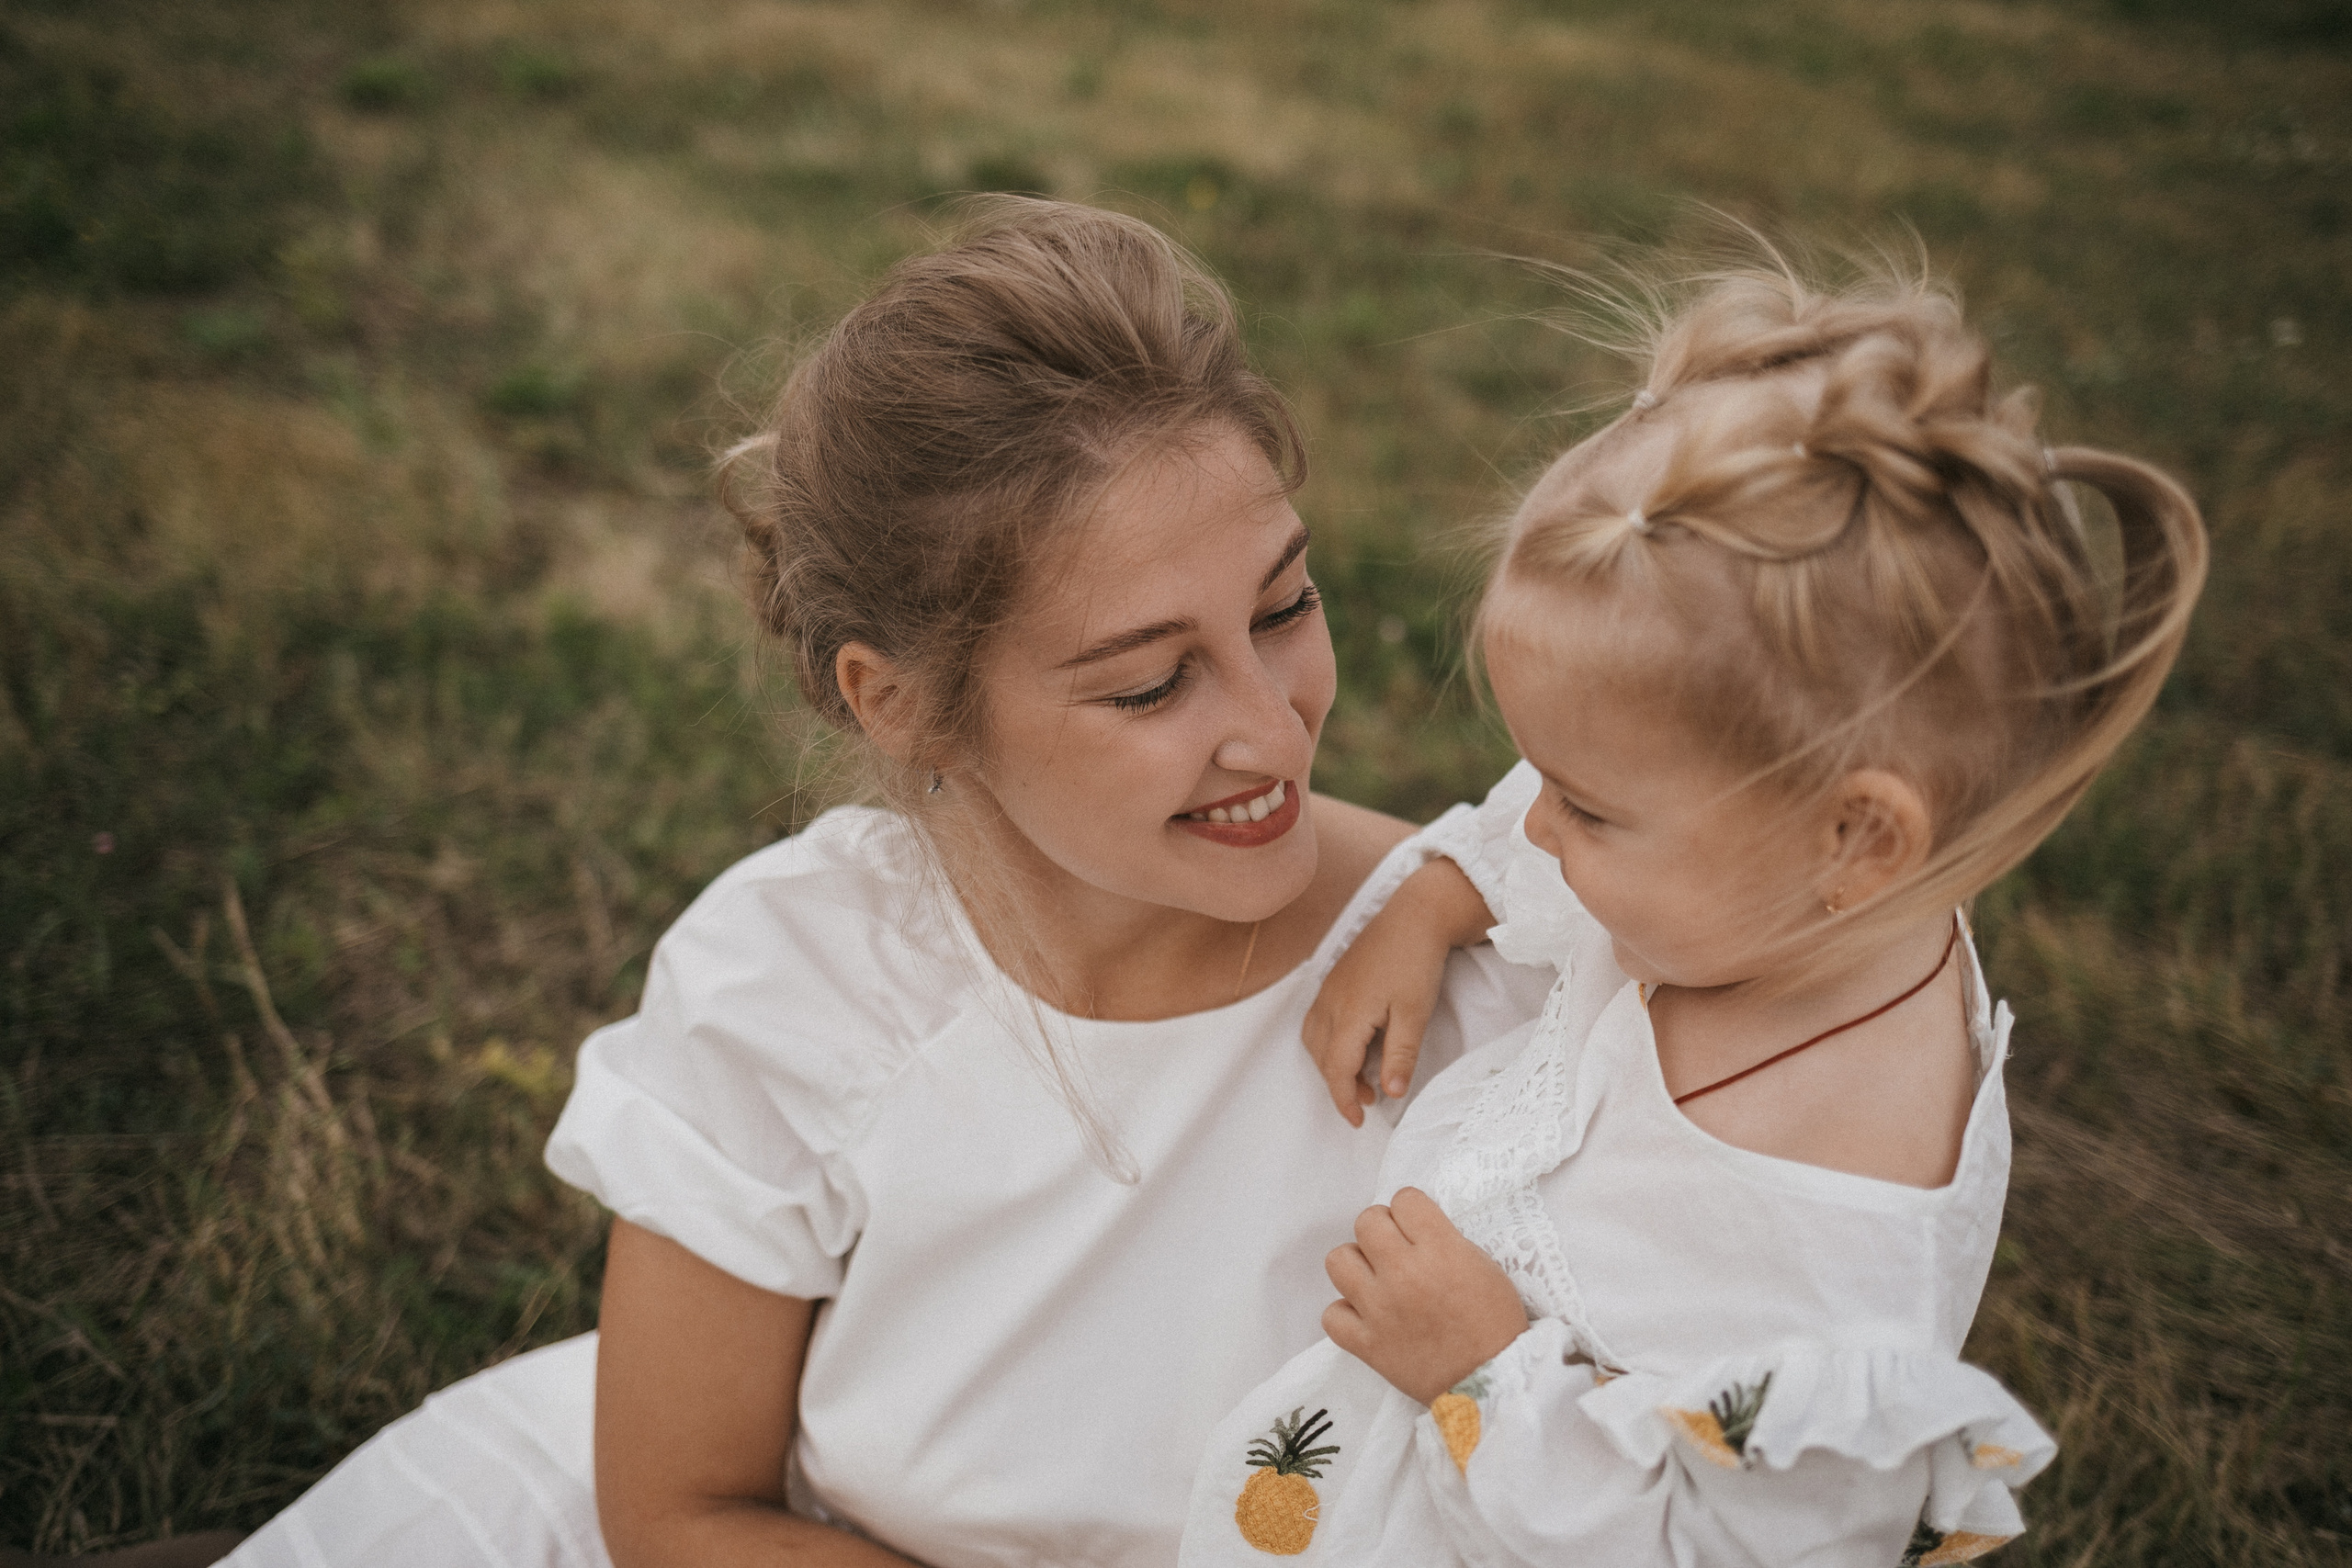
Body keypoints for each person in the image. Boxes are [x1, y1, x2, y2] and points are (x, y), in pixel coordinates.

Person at [211, 199, 1553, 1568]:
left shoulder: (1473, 958)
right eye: (1150, 683)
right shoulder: (797, 992)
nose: (1274, 730)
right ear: (903, 705)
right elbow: (682, 1513)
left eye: (1284, 608)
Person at [1179, 254, 2206, 1565]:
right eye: (1549, 779)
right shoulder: (1781, 898)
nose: (1538, 825)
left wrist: (1483, 1372)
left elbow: (1719, 1545)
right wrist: (1440, 894)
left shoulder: (1832, 1235)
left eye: (1587, 810)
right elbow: (1568, 801)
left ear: (1856, 837)